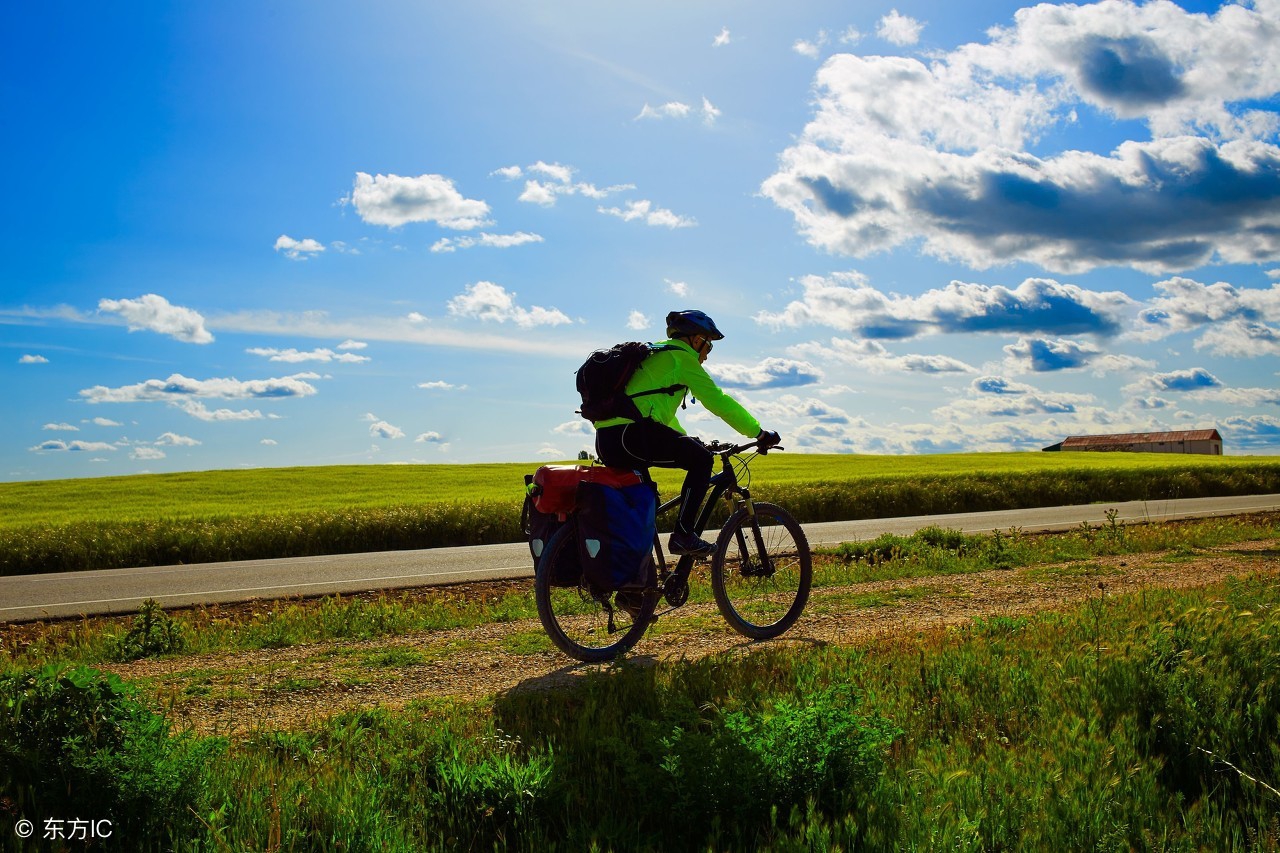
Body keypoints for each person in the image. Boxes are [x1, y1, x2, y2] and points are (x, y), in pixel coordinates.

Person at [593, 310, 781, 557]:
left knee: (645, 505)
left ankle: (639, 588)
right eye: (708, 346)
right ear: (695, 339)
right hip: (633, 435)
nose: (707, 355)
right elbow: (718, 401)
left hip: (609, 438)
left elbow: (658, 414)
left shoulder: (655, 353)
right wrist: (758, 432)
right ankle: (683, 535)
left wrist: (687, 439)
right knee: (702, 460)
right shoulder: (682, 358)